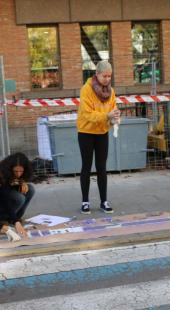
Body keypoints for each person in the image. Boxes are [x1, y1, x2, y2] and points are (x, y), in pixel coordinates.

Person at [76, 60, 120, 214]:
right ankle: (85, 202)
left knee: (102, 167)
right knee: (86, 167)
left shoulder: (111, 91)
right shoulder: (86, 90)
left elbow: (113, 107)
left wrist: (115, 116)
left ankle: (104, 201)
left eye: (109, 76)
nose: (107, 79)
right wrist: (106, 115)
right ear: (97, 74)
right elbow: (87, 114)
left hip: (102, 132)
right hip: (86, 132)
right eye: (104, 76)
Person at [0, 152, 35, 237]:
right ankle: (3, 218)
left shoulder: (24, 173)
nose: (18, 174)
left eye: (21, 171)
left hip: (8, 193)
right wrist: (15, 221)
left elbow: (17, 182)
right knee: (19, 198)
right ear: (10, 169)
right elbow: (4, 198)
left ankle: (16, 217)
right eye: (15, 171)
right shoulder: (2, 173)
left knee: (31, 189)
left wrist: (22, 181)